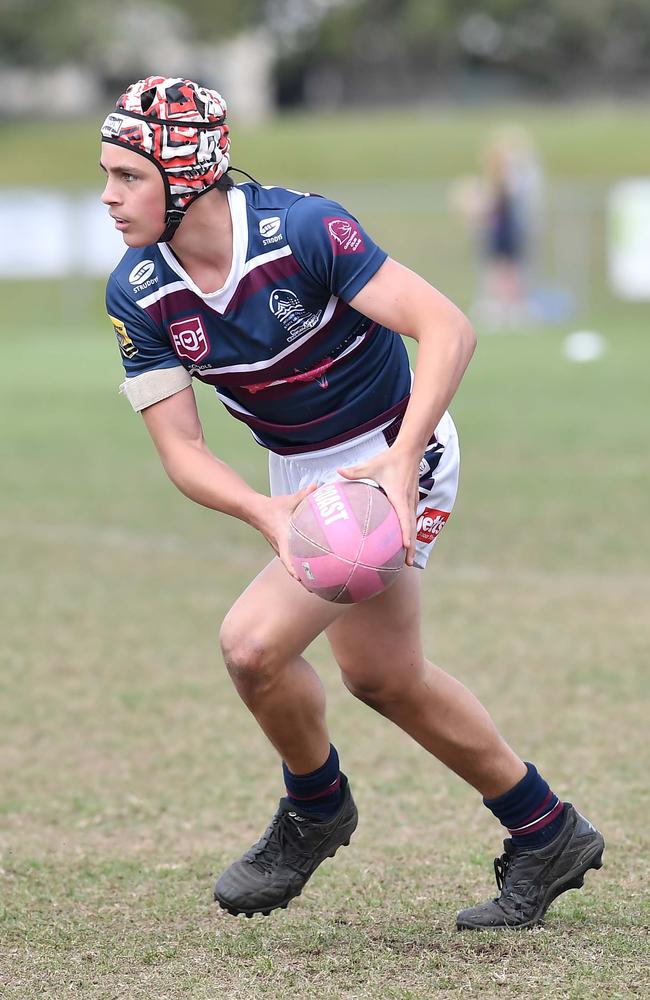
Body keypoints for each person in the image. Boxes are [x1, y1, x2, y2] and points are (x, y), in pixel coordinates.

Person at [100, 77, 604, 930]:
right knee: (384, 676)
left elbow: (448, 327)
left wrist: (400, 463)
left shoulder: (300, 230)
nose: (109, 198)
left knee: (252, 648)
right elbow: (182, 450)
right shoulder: (138, 292)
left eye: (128, 177)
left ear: (186, 176)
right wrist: (270, 515)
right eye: (104, 175)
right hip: (297, 477)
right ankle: (546, 829)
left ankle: (316, 807)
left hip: (398, 451)